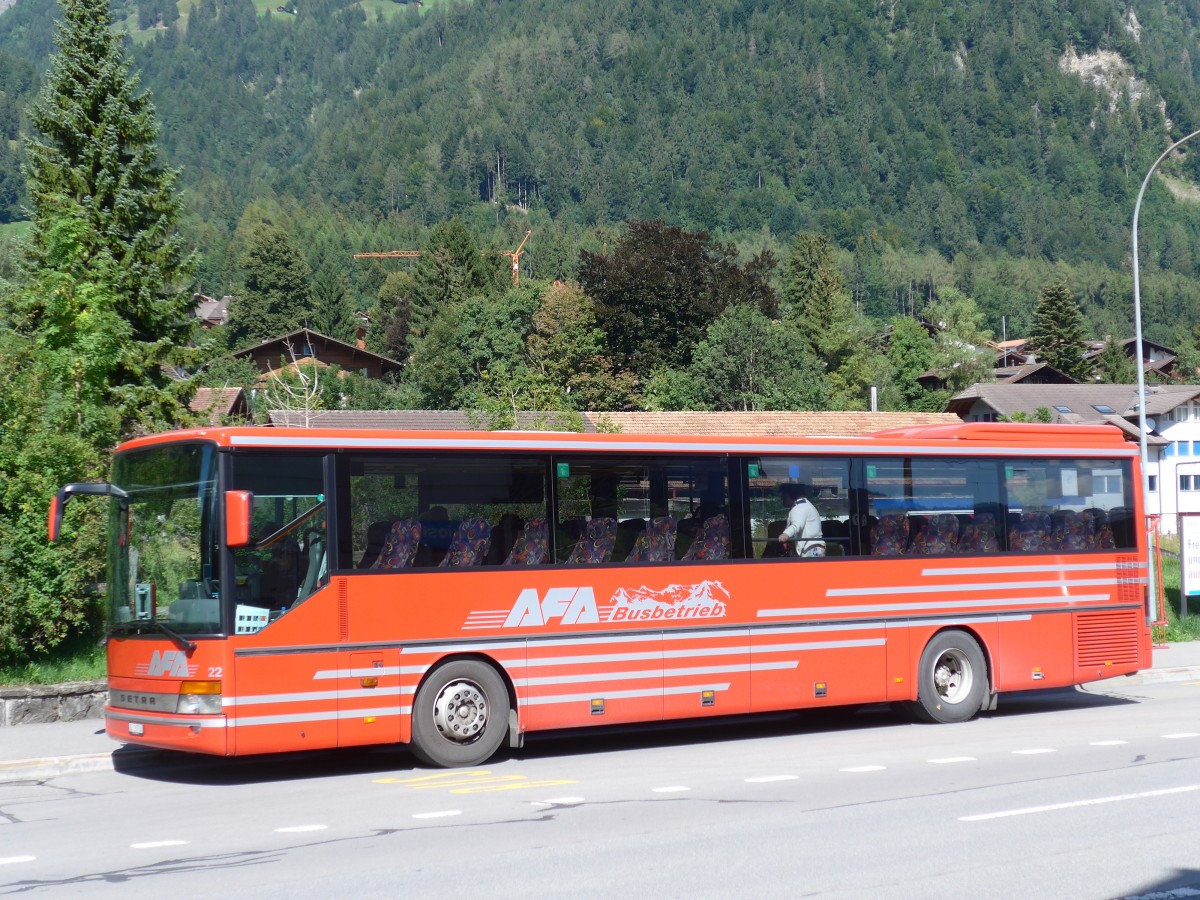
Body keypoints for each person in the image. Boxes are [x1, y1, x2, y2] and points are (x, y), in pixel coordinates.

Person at [778, 484, 826, 558]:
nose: (782, 500)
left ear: (792, 496)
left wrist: (785, 535)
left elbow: (797, 525)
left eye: (784, 497)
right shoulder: (805, 505)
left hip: (810, 549)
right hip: (813, 548)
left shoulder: (800, 508)